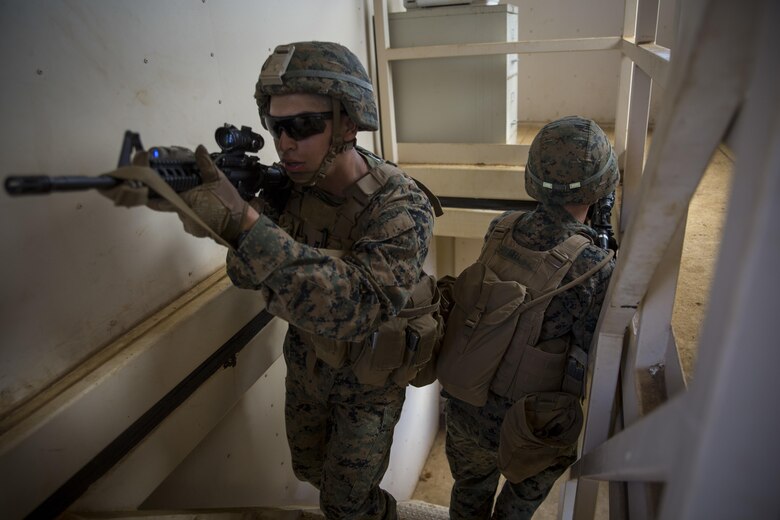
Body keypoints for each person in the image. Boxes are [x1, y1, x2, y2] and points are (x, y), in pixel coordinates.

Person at [102, 41, 437, 520]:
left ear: (348, 123)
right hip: (307, 365)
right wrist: (210, 211)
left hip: (369, 385)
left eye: (303, 125)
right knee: (308, 470)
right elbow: (244, 273)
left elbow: (360, 307)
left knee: (347, 506)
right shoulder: (288, 188)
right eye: (276, 126)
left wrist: (243, 223)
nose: (285, 143)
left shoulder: (401, 207)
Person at [441, 116, 619, 519]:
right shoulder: (594, 266)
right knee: (521, 500)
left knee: (468, 491)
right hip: (525, 427)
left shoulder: (499, 228)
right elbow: (589, 351)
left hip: (464, 407)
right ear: (604, 185)